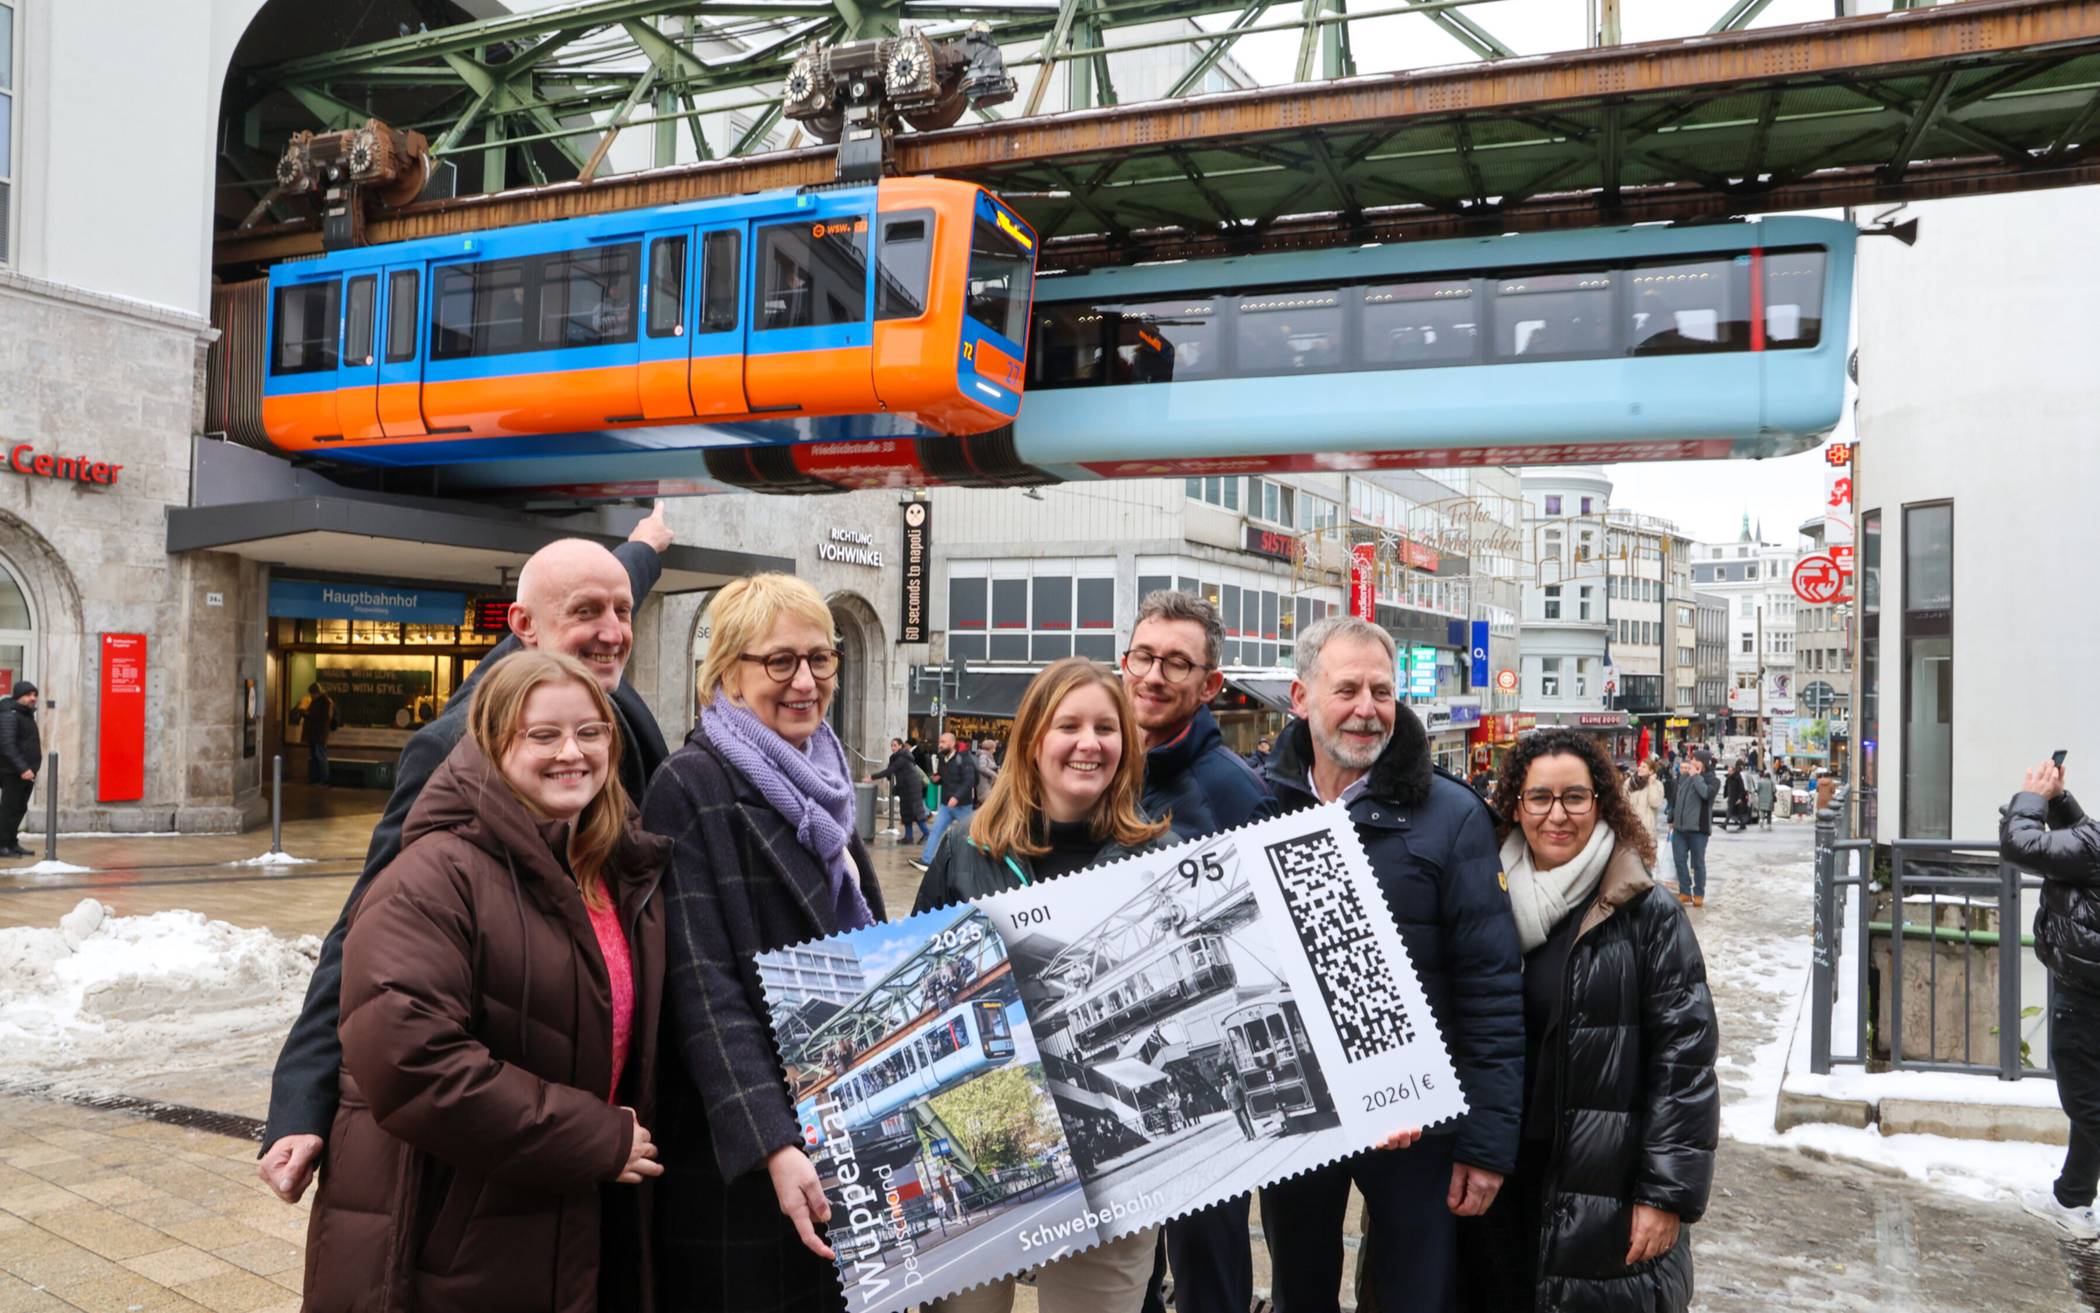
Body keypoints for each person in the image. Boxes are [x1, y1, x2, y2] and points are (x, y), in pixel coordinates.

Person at [257, 509, 676, 1205]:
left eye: (622, 611)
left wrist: (644, 547)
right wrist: (302, 1099)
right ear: (525, 627)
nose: (611, 631)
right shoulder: (460, 742)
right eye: (586, 613)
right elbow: (367, 924)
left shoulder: (591, 671)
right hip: (507, 1154)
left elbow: (604, 586)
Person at [302, 651, 669, 1313]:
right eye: (544, 734)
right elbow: (411, 1062)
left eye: (590, 732)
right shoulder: (432, 876)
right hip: (456, 1238)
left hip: (582, 1216)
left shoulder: (615, 868)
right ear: (495, 742)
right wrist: (594, 1137)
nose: (572, 752)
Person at [1257, 617, 1523, 1313]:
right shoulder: (1258, 807)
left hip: (1417, 1122)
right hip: (1298, 1111)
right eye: (1347, 689)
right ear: (1301, 697)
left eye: (1382, 691)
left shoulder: (1453, 814)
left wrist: (1486, 1143)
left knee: (1413, 1294)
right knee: (1298, 1292)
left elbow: (1492, 988)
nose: (1368, 708)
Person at [644, 572, 887, 1310]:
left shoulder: (824, 777)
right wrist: (771, 1140)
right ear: (728, 673)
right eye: (779, 660)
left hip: (833, 1117)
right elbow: (701, 985)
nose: (805, 681)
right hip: (747, 1148)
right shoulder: (691, 782)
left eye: (820, 658)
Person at [914, 657, 1170, 1313]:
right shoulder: (966, 849)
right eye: (1069, 726)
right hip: (981, 1139)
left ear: (1126, 744)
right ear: (1033, 739)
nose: (1090, 743)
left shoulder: (1158, 857)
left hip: (1112, 1169)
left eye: (1106, 728)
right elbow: (921, 984)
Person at [1457, 729, 1718, 1313]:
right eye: (1539, 797)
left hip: (1602, 1187)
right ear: (1514, 804)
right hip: (1491, 1173)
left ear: (1601, 802)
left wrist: (1665, 1194)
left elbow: (1684, 1064)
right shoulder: (1479, 899)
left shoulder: (1645, 912)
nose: (1557, 815)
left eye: (1574, 797)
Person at [1118, 590, 1268, 1313]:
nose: (1153, 675)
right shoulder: (1100, 762)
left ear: (1210, 684)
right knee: (1127, 1260)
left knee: (1207, 1249)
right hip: (1157, 1026)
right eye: (1143, 657)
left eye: (1176, 663)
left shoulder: (1233, 790)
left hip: (1207, 1029)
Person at [2002, 758, 2100, 1237]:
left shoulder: (2092, 850)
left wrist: (2032, 800)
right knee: (2092, 1102)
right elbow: (2084, 837)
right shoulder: (2091, 845)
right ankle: (2072, 1199)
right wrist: (2060, 801)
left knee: (2085, 1102)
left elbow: (2018, 844)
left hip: (2084, 995)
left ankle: (2072, 1199)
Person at [913, 730, 980, 872]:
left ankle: (976, 863)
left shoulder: (964, 758)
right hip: (946, 805)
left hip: (962, 806)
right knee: (936, 831)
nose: (940, 745)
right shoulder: (943, 758)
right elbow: (946, 777)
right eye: (940, 742)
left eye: (943, 742)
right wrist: (937, 780)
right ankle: (926, 860)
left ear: (952, 743)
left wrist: (956, 797)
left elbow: (969, 781)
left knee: (969, 835)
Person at [1664, 752, 1718, 908]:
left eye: (1694, 760)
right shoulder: (1685, 778)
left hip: (1698, 830)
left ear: (1702, 763)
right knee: (1679, 860)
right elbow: (1677, 799)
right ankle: (1685, 892)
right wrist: (1671, 818)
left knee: (1697, 863)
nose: (1691, 762)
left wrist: (1696, 777)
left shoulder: (1713, 781)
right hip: (1679, 829)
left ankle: (1699, 894)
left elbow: (1705, 794)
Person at [0, 681, 40, 858]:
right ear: (18, 696)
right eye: (28, 695)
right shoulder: (10, 714)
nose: (33, 698)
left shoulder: (26, 714)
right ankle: (2, 845)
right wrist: (23, 768)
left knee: (19, 809)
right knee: (9, 810)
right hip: (12, 771)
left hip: (26, 772)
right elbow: (7, 745)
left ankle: (11, 843)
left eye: (35, 695)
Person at [869, 735, 931, 845]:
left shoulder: (903, 757)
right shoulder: (895, 757)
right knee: (906, 813)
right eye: (891, 745)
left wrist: (872, 777)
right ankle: (908, 837)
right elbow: (892, 772)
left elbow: (890, 770)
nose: (892, 748)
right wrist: (891, 779)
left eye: (895, 745)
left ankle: (927, 834)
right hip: (905, 787)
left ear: (901, 746)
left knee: (916, 813)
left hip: (912, 788)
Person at [301, 682, 337, 786]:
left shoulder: (325, 702)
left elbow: (324, 717)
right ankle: (315, 778)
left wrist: (308, 714)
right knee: (315, 756)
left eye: (312, 693)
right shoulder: (316, 701)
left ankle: (324, 779)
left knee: (320, 755)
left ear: (316, 692)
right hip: (315, 733)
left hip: (319, 733)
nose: (311, 696)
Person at [1628, 756, 1667, 846]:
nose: (1640, 768)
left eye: (1644, 767)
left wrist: (1651, 784)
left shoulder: (1658, 785)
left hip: (1647, 831)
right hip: (1631, 829)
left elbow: (1655, 803)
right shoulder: (1630, 782)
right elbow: (1623, 802)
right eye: (1640, 766)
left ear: (1651, 771)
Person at [1722, 762, 1751, 832]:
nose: (1729, 772)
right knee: (1738, 813)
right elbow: (1727, 787)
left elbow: (1741, 789)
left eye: (1730, 771)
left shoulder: (1738, 778)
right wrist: (1726, 794)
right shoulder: (1729, 778)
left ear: (1733, 771)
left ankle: (1725, 825)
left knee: (1729, 811)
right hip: (1731, 797)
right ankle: (1742, 825)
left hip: (1736, 798)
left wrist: (1740, 798)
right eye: (1728, 771)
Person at [975, 735, 1002, 804]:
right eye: (994, 748)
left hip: (989, 783)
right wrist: (995, 775)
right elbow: (982, 767)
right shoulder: (983, 756)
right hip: (984, 784)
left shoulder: (988, 756)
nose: (995, 750)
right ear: (990, 749)